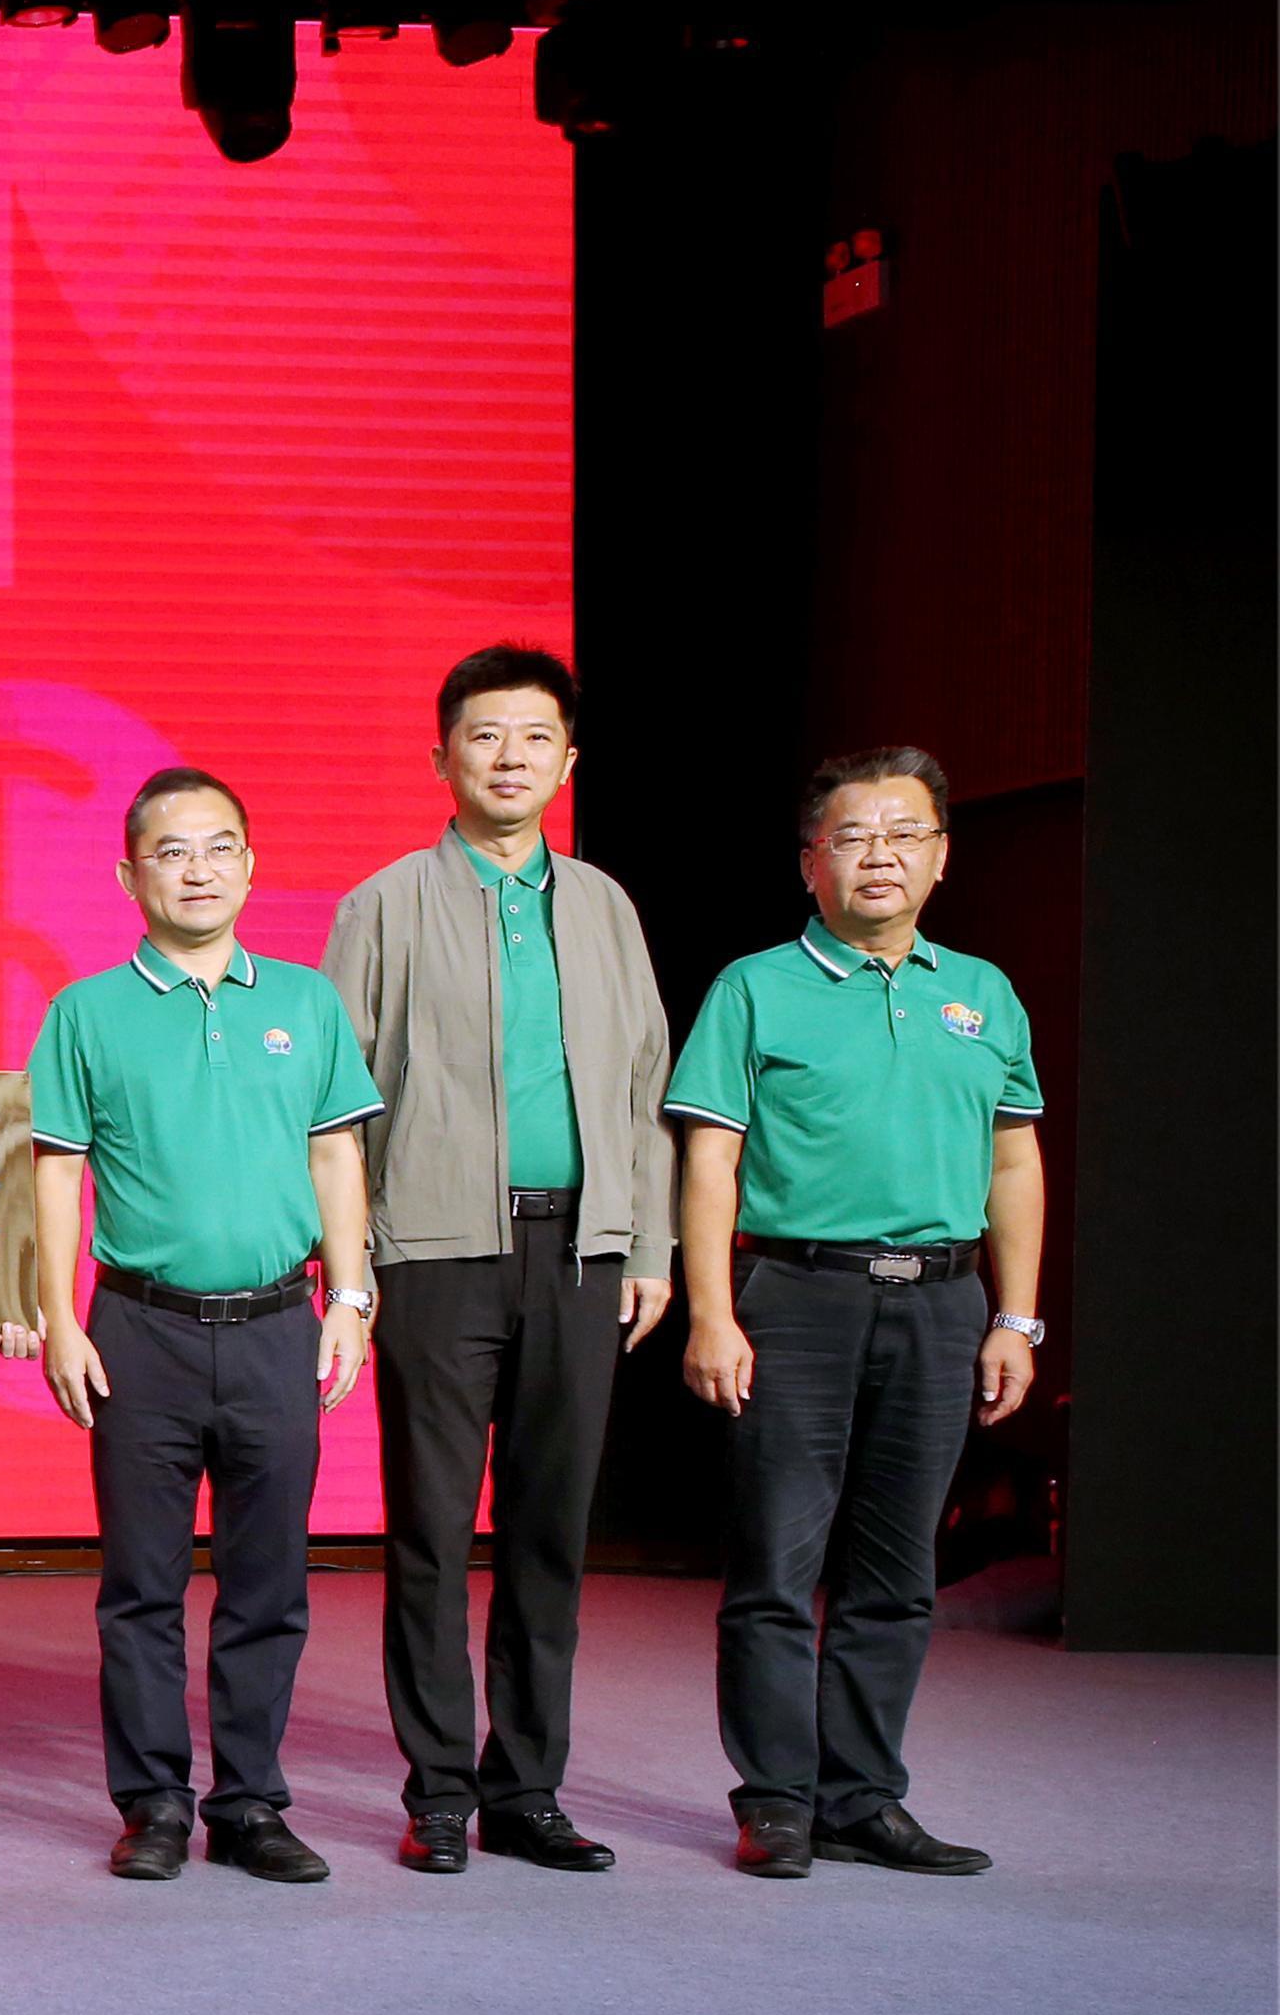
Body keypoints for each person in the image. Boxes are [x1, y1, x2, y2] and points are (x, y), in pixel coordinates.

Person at [323, 642, 674, 1875]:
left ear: (569, 763)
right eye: (485, 735)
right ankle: (438, 1791)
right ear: (441, 758)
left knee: (548, 1530)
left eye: (535, 737)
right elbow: (337, 1103)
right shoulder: (383, 904)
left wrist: (647, 1242)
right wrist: (352, 1267)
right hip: (434, 1252)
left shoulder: (605, 905)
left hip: (581, 1250)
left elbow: (644, 1088)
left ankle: (526, 1788)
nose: (510, 757)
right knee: (429, 1531)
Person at [665, 746, 1044, 1880]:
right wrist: (712, 1312)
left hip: (942, 1302)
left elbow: (1014, 1162)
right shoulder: (754, 986)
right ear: (810, 862)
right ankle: (778, 1799)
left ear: (941, 857)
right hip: (798, 1299)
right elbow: (710, 1160)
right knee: (776, 1567)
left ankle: (863, 1799)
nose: (881, 855)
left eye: (905, 834)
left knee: (897, 1572)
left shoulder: (982, 992)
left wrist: (1017, 1318)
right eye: (854, 836)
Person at [25, 769, 385, 1884]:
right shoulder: (85, 1011)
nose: (198, 869)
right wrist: (56, 1318)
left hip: (279, 1323)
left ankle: (251, 1803)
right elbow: (56, 1172)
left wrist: (351, 1296)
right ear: (129, 874)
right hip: (141, 1328)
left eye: (220, 846)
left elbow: (336, 1152)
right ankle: (153, 1805)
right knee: (141, 1584)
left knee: (268, 1582)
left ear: (251, 864)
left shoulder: (306, 1003)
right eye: (172, 851)